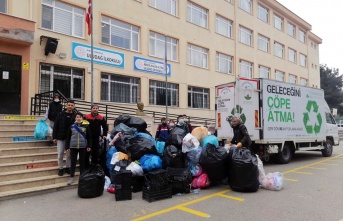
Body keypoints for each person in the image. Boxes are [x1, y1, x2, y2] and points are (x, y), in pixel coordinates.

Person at [65, 112, 92, 185]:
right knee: (73, 163)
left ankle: (82, 178)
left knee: (82, 163)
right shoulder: (71, 127)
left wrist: (89, 146)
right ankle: (71, 178)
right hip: (73, 146)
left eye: (80, 117)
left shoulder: (86, 126)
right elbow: (68, 137)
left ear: (82, 118)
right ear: (75, 118)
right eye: (77, 117)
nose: (79, 118)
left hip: (83, 147)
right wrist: (67, 146)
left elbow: (89, 137)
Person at [53, 100, 77, 176]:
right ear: (66, 106)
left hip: (71, 138)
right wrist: (54, 137)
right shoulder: (60, 114)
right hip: (60, 137)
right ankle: (60, 168)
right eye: (69, 105)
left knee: (69, 154)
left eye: (71, 105)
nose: (70, 106)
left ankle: (68, 167)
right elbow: (55, 126)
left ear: (74, 106)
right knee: (60, 153)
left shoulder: (76, 116)